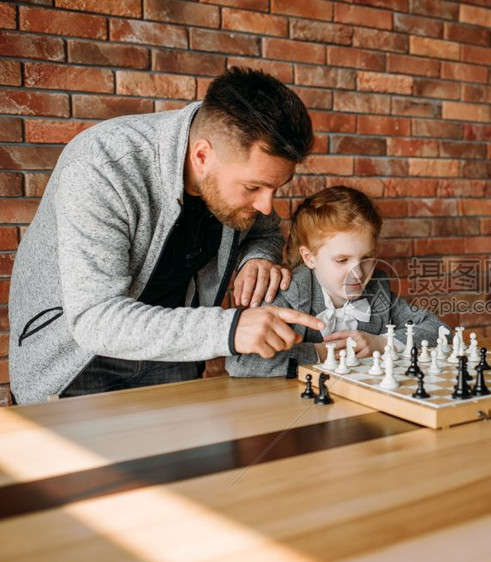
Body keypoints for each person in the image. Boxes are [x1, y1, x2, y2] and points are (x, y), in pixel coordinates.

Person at [9, 67, 325, 404]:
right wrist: (230, 329)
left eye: (276, 188)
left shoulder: (229, 167)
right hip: (77, 362)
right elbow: (94, 319)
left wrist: (258, 258)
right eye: (253, 187)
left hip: (173, 356)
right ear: (202, 155)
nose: (266, 205)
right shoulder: (101, 166)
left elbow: (266, 230)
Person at [227, 186, 447, 376]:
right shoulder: (288, 291)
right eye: (342, 260)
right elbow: (241, 363)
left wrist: (382, 343)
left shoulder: (376, 288)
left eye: (367, 258)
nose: (358, 273)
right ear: (309, 258)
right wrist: (322, 352)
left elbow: (439, 330)